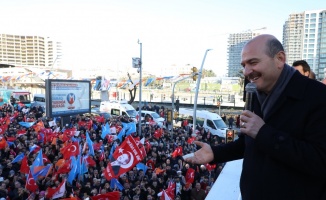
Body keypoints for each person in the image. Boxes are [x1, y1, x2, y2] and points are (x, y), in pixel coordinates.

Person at [185, 34, 326, 200]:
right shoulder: (257, 95)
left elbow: (320, 160)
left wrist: (264, 132)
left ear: (280, 59)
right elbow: (248, 144)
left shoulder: (318, 96)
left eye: (253, 62)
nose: (246, 72)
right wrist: (215, 153)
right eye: (244, 65)